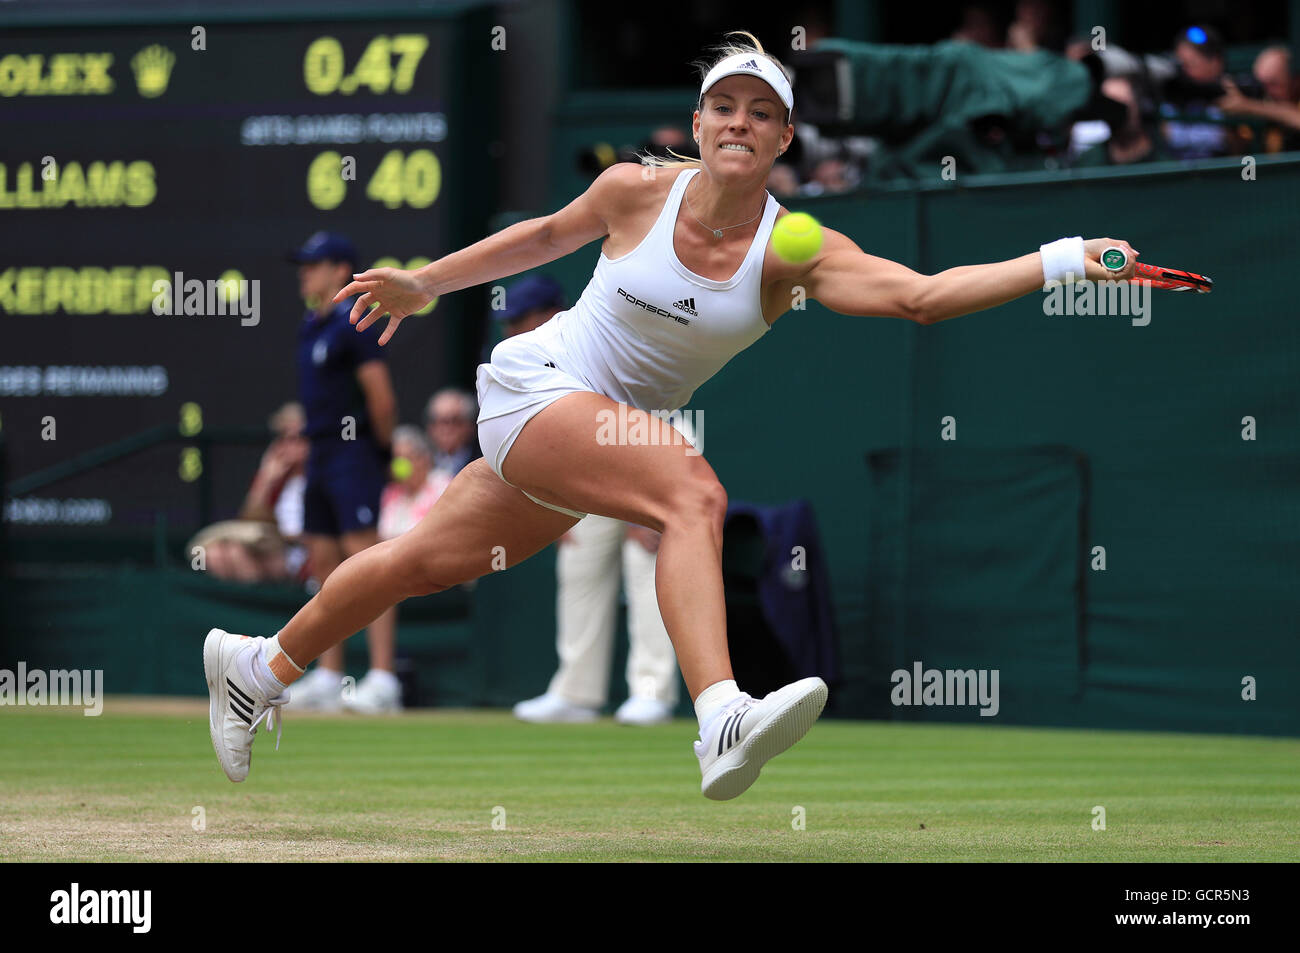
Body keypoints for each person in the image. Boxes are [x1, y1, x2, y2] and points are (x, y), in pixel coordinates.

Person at [203, 31, 1139, 800]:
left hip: (584, 435)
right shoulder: (635, 190)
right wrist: (427, 284)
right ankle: (720, 714)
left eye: (761, 111)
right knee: (692, 492)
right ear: (698, 125)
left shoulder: (793, 252)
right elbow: (539, 237)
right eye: (724, 106)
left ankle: (256, 669)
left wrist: (1061, 258)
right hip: (538, 387)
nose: (739, 120)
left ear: (782, 141)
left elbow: (924, 296)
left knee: (420, 563)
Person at [494, 275, 682, 727]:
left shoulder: (600, 331)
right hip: (587, 465)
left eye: (520, 319)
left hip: (648, 446)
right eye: (508, 321)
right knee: (579, 572)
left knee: (647, 571)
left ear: (549, 314)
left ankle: (651, 693)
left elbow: (655, 402)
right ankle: (576, 693)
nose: (510, 329)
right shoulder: (525, 359)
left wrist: (653, 497)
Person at [278, 231, 403, 715]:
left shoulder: (357, 323)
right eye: (303, 264)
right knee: (326, 562)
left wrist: (379, 453)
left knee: (367, 561)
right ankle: (330, 676)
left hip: (355, 455)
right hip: (320, 453)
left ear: (340, 271)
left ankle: (383, 678)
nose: (304, 272)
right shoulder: (310, 326)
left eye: (314, 264)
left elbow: (383, 400)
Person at [191, 401, 309, 583]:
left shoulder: (322, 476)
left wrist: (287, 537)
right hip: (273, 547)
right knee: (215, 553)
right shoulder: (277, 478)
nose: (289, 445)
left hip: (304, 554)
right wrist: (265, 481)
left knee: (237, 553)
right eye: (283, 437)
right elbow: (248, 518)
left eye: (297, 437)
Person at [424, 388, 480, 480]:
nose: (446, 429)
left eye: (455, 421)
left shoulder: (483, 462)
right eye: (438, 421)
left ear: (469, 425)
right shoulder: (423, 464)